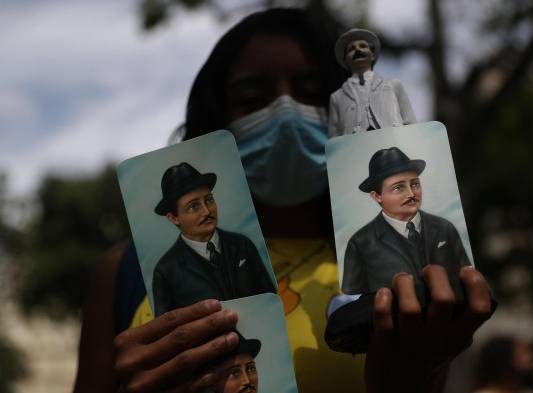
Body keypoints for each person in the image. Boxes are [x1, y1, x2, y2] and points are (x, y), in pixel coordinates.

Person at [73, 8, 493, 393]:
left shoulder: (398, 267)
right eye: (253, 99)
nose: (287, 112)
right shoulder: (128, 272)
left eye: (311, 93)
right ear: (217, 119)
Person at [342, 147, 471, 296]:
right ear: (377, 196)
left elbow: (467, 276)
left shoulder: (444, 228)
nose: (411, 194)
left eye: (415, 184)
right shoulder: (360, 244)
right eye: (398, 188)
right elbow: (353, 299)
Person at [152, 162, 275, 316]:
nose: (206, 211)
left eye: (209, 200)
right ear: (173, 218)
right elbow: (168, 330)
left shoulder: (242, 245)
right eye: (194, 206)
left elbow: (272, 301)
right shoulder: (166, 271)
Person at [328, 29, 416, 137]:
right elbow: (333, 138)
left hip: (394, 143)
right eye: (351, 49)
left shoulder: (393, 85)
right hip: (355, 149)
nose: (357, 50)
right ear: (345, 59)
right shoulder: (337, 97)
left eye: (363, 46)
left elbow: (411, 123)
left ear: (373, 55)